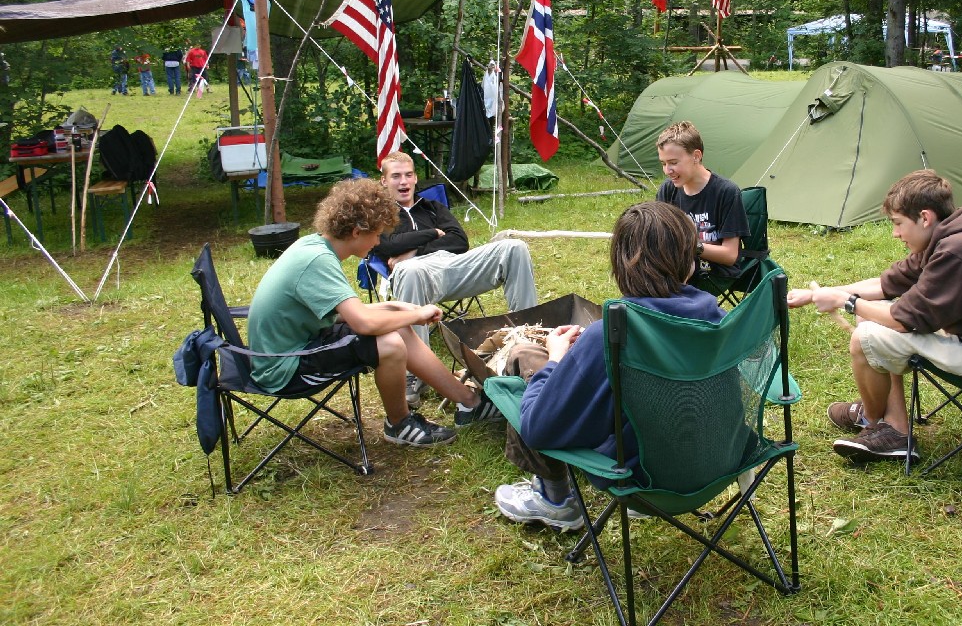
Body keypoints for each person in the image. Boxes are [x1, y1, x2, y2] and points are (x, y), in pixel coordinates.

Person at [786, 170, 962, 463]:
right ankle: (895, 426)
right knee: (871, 318)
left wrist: (845, 301)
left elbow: (904, 319)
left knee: (866, 336)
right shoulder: (950, 236)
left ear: (925, 217)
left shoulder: (958, 250)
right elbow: (887, 284)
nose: (895, 233)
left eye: (898, 223)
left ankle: (874, 423)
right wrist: (821, 293)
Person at [493, 201, 726, 531]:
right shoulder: (720, 321)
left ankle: (554, 498)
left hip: (641, 474)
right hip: (717, 461)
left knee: (525, 359)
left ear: (622, 265)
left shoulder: (611, 335)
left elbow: (538, 427)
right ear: (689, 264)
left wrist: (557, 358)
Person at [246, 178, 501, 448]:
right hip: (284, 366)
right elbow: (363, 322)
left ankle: (469, 402)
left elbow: (347, 313)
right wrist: (415, 315)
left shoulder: (316, 246)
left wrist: (398, 307)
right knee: (389, 344)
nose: (379, 242)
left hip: (299, 343)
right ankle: (399, 423)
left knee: (398, 327)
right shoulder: (317, 261)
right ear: (357, 232)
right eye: (377, 234)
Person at [369, 151, 538, 404]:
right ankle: (415, 371)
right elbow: (386, 246)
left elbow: (459, 241)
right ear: (384, 181)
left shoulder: (432, 207)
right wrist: (432, 234)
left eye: (408, 175)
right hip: (414, 274)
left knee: (514, 248)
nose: (403, 182)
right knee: (409, 269)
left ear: (415, 178)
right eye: (396, 176)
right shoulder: (379, 215)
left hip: (453, 266)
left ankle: (530, 340)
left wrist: (414, 248)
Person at [654, 121, 749, 286]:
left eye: (674, 163)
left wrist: (690, 246)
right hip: (676, 266)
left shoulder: (726, 191)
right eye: (664, 163)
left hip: (714, 272)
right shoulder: (668, 190)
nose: (668, 170)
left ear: (696, 156)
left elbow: (729, 255)